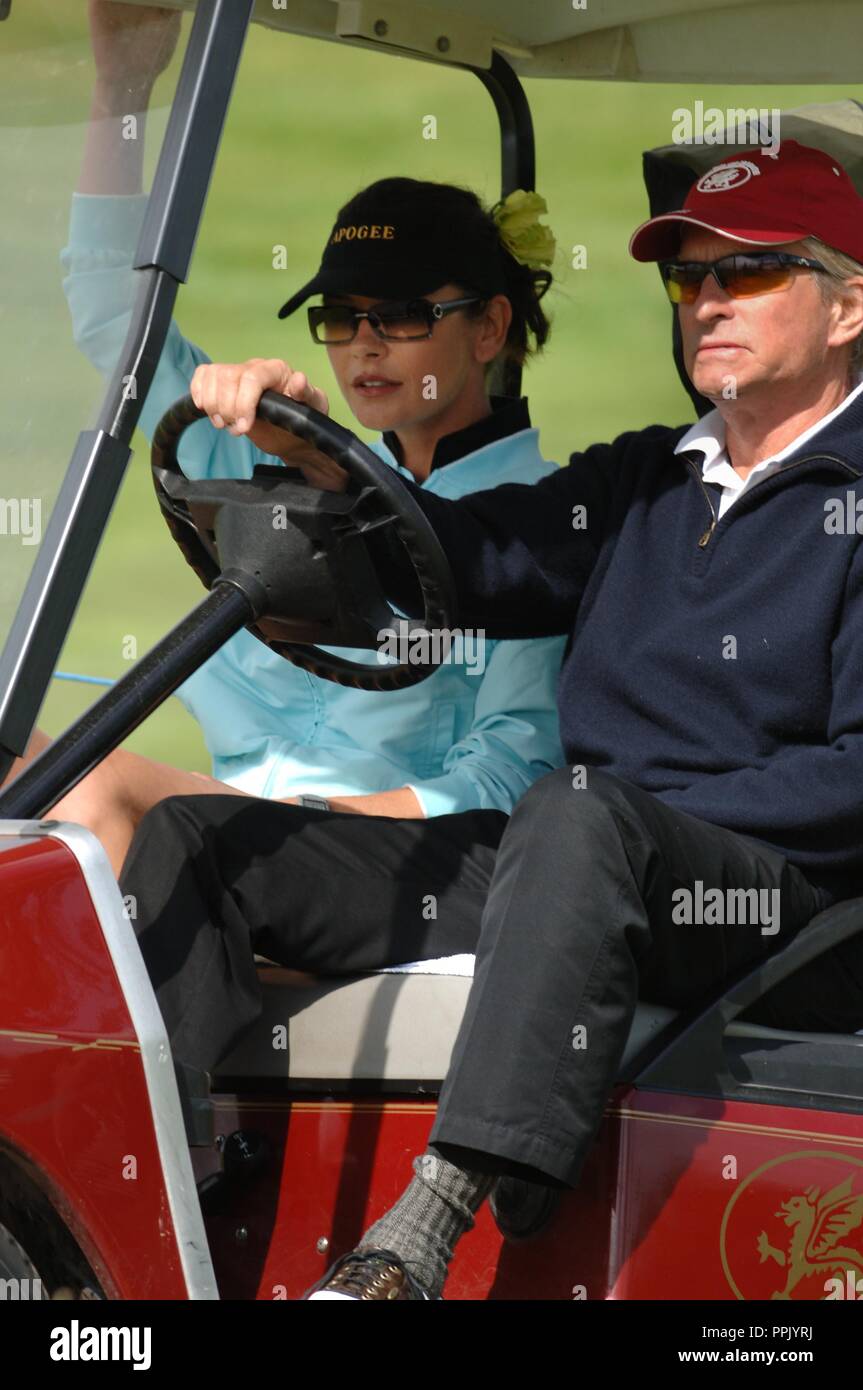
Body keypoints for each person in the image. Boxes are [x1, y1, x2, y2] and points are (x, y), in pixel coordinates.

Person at [120, 137, 863, 1300]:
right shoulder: (643, 481)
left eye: (748, 274)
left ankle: (422, 1230)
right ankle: (180, 1215)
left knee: (574, 816)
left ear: (846, 306)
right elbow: (455, 555)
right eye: (686, 279)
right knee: (200, 842)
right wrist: (303, 455)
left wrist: (633, 820)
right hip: (585, 858)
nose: (707, 302)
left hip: (778, 899)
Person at [2, 2, 567, 878]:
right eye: (340, 318)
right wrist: (122, 82)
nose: (365, 345)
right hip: (226, 822)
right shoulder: (267, 454)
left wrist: (281, 821)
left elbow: (510, 774)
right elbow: (117, 310)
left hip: (380, 866)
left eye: (403, 316)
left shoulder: (539, 533)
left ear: (489, 328)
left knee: (90, 787)